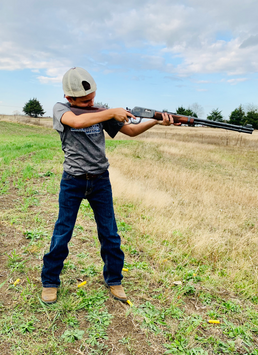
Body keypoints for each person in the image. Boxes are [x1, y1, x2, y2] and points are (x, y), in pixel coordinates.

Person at [41, 67, 177, 304]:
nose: (90, 102)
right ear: (69, 98)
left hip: (100, 181)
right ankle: (50, 281)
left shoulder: (100, 112)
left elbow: (132, 131)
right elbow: (77, 121)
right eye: (84, 100)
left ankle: (114, 280)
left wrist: (154, 121)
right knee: (63, 233)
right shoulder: (61, 109)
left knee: (110, 234)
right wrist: (111, 112)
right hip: (73, 181)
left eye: (92, 98)